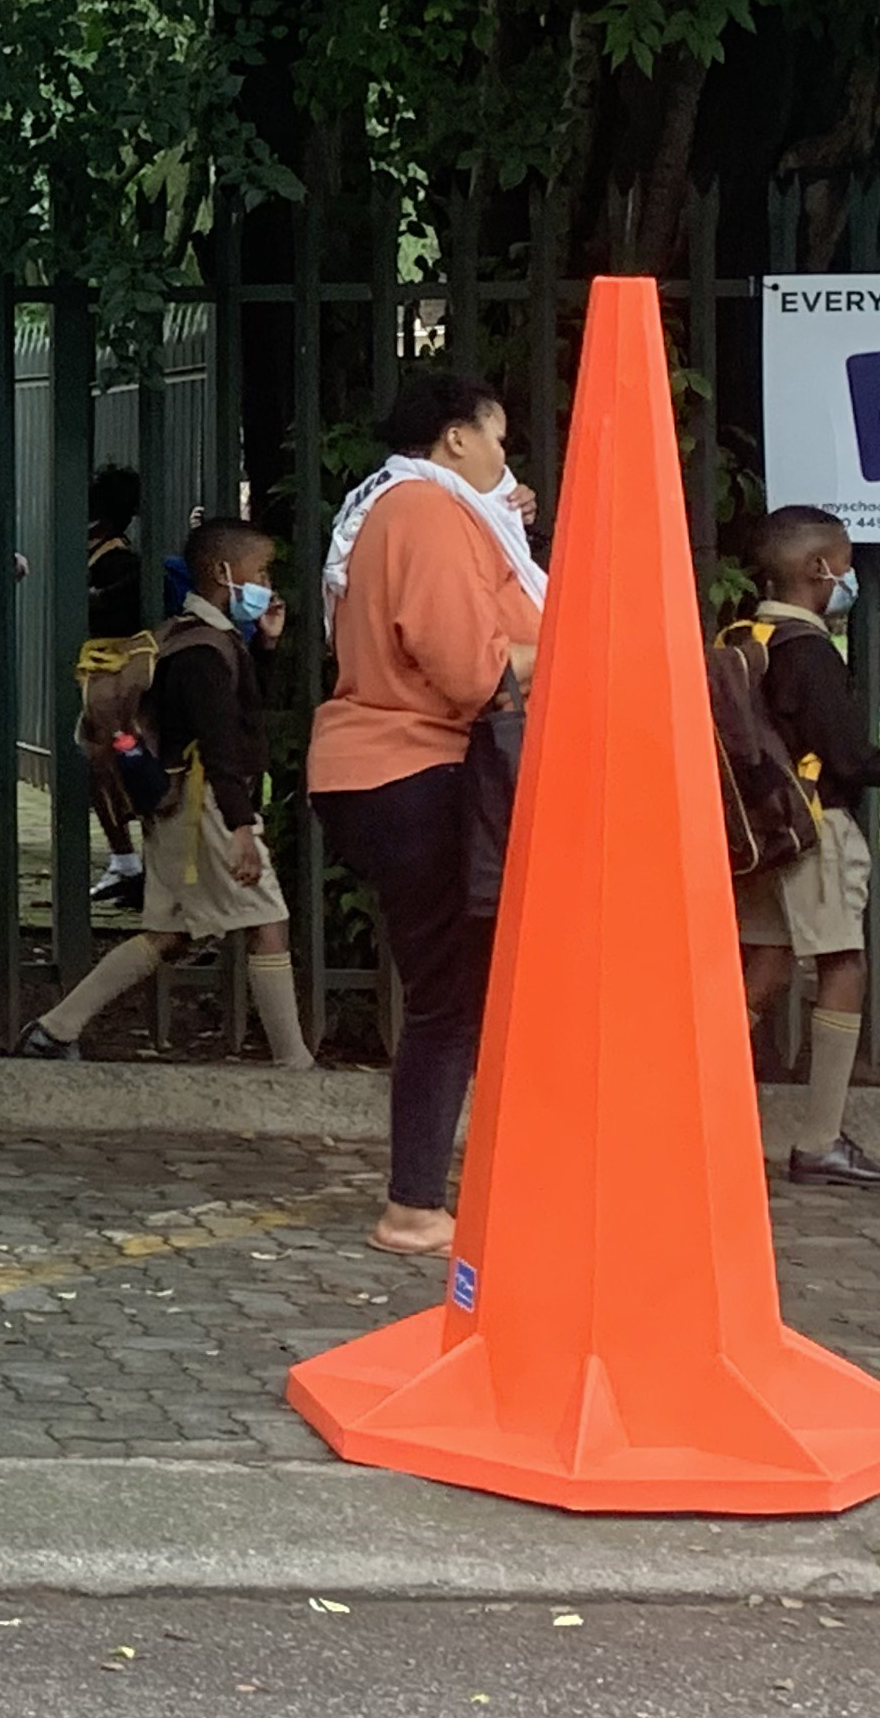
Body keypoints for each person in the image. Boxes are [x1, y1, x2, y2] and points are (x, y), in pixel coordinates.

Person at [310, 369, 543, 1258]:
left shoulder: (402, 510)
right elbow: (471, 668)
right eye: (496, 435)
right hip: (421, 769)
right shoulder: (427, 514)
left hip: (385, 771)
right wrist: (568, 640)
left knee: (450, 992)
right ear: (454, 436)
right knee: (451, 997)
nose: (503, 455)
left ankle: (432, 1192)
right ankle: (414, 1204)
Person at [19, 518, 315, 1068]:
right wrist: (243, 827)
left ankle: (56, 1029)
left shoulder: (194, 638)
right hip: (207, 809)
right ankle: (295, 1064)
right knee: (267, 920)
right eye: (260, 571)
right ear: (225, 573)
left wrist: (267, 648)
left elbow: (239, 720)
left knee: (170, 935)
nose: (266, 582)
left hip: (184, 808)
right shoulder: (204, 652)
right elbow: (223, 745)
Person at [731, 507, 880, 1190]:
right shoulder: (808, 650)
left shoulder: (742, 634)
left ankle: (675, 1106)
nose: (847, 577)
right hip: (814, 829)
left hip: (760, 834)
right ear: (819, 568)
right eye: (843, 564)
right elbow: (847, 757)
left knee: (761, 971)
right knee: (842, 964)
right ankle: (819, 1140)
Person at [73, 466, 152, 906]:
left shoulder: (118, 561)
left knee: (111, 764)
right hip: (104, 679)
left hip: (116, 683)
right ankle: (127, 861)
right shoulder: (103, 554)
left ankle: (129, 861)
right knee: (103, 764)